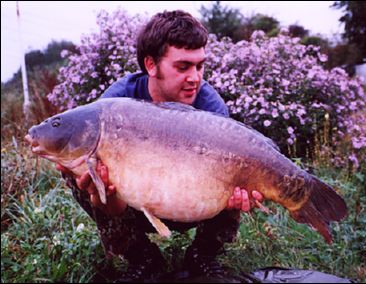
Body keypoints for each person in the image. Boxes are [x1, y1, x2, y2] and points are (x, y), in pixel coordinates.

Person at [57, 10, 264, 282]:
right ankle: (142, 257)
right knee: (79, 170)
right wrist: (104, 197)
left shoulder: (211, 109)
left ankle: (203, 254)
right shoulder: (114, 106)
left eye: (199, 66)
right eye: (183, 67)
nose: (195, 78)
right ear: (151, 65)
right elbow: (107, 195)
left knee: (237, 171)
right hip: (135, 199)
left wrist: (236, 198)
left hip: (196, 200)